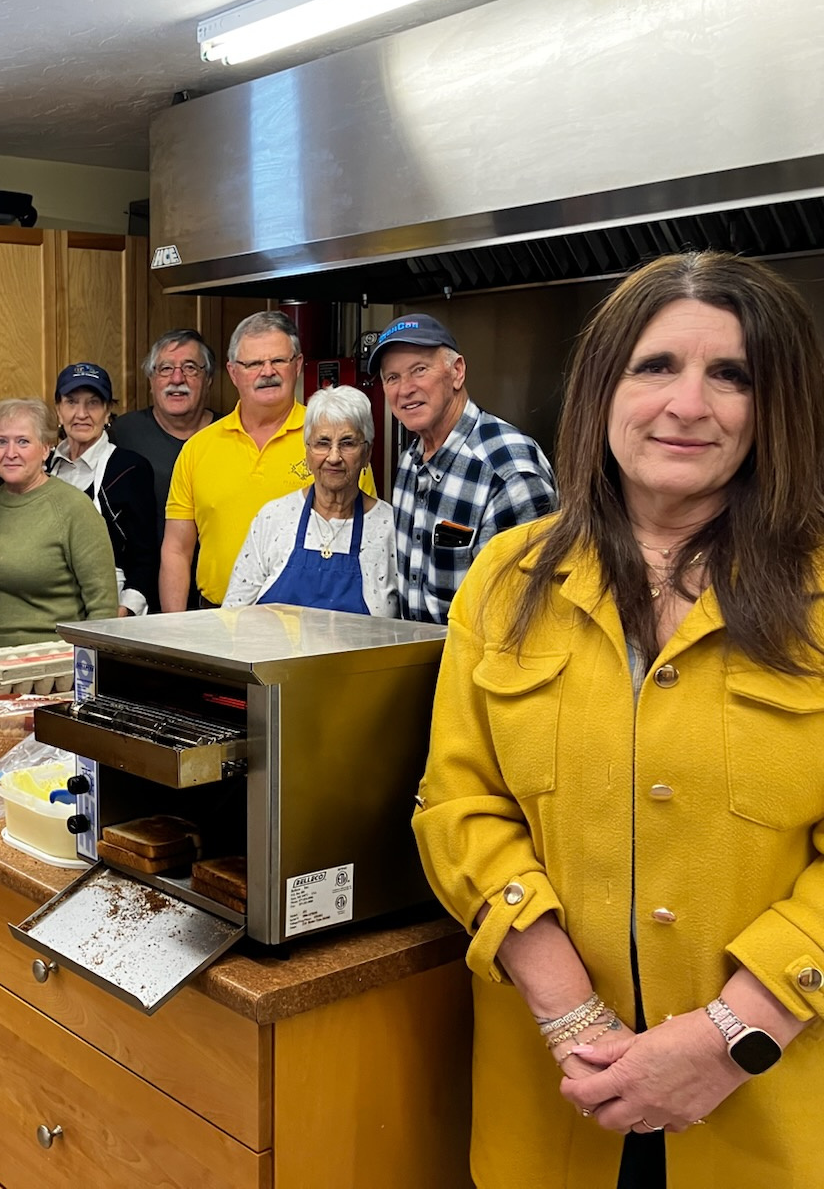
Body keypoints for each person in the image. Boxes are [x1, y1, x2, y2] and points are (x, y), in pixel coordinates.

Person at [412, 253, 824, 1188]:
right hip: (558, 1098)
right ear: (603, 389)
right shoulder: (507, 579)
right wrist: (573, 1018)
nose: (689, 404)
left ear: (775, 409)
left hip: (773, 1114)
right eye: (656, 367)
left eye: (733, 375)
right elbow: (457, 805)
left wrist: (730, 1038)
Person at [162, 311, 374, 611]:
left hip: (313, 624)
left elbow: (366, 536)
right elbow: (176, 551)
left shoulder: (334, 443)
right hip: (214, 619)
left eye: (278, 361)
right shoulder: (198, 448)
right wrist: (176, 631)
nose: (267, 372)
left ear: (298, 365)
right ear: (233, 372)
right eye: (253, 364)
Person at [372, 312, 557, 625]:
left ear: (457, 372)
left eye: (419, 370)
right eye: (392, 377)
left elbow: (523, 621)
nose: (405, 389)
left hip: (481, 670)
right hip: (419, 667)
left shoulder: (509, 472)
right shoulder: (408, 464)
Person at [223, 384, 398, 616]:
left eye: (347, 443)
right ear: (307, 451)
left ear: (367, 453)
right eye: (322, 443)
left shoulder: (391, 528)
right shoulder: (273, 517)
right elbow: (232, 616)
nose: (334, 457)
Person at [0, 398, 118, 649]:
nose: (10, 453)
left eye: (23, 441)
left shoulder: (74, 508)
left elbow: (102, 608)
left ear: (46, 448)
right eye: (1, 441)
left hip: (49, 664)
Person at [51, 361, 158, 615]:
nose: (82, 413)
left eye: (93, 403)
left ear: (108, 411)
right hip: (53, 606)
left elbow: (146, 555)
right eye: (71, 402)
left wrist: (125, 611)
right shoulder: (44, 468)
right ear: (58, 410)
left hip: (110, 606)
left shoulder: (130, 468)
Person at [109, 328, 216, 538]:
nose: (177, 379)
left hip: (217, 568)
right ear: (151, 380)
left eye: (190, 368)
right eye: (166, 368)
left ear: (208, 379)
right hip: (143, 568)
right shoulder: (123, 433)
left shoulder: (231, 432)